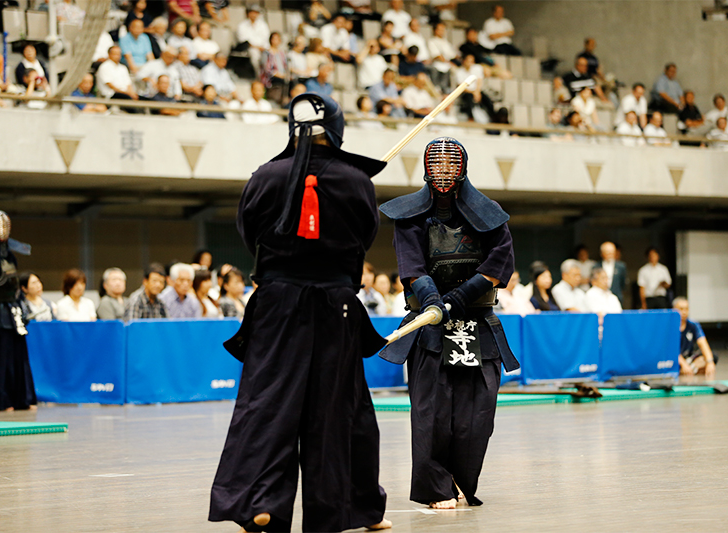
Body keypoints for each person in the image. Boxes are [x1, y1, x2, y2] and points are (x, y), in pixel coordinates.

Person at [210, 92, 391, 532]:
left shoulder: (264, 176)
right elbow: (365, 236)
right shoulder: (357, 180)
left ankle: (260, 503)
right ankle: (346, 509)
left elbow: (249, 232)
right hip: (336, 305)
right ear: (338, 127)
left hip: (276, 304)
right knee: (338, 407)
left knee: (268, 402)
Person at [378, 137, 519, 510]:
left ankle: (459, 479)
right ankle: (435, 487)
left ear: (462, 169)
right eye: (435, 166)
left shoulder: (489, 213)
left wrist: (459, 298)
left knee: (477, 415)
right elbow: (411, 267)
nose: (442, 174)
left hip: (477, 320)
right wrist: (432, 300)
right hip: (429, 324)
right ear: (426, 169)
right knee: (432, 413)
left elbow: (498, 263)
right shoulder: (410, 216)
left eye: (448, 166)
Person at [0, 211, 36, 411]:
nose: (2, 230)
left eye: (5, 225)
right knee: (0, 359)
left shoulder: (11, 254)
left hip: (12, 311)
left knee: (17, 357)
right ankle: (0, 400)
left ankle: (20, 398)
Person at [673, 297, 716, 379]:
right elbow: (671, 349)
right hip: (675, 358)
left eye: (686, 309)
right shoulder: (669, 327)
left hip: (688, 358)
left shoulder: (693, 325)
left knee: (712, 357)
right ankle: (685, 370)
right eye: (681, 309)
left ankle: (688, 370)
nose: (684, 312)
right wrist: (683, 364)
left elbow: (702, 342)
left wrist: (710, 362)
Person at [236, 4, 269, 78]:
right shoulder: (242, 25)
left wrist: (263, 47)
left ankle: (268, 76)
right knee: (255, 55)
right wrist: (257, 47)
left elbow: (266, 38)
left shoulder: (263, 25)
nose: (254, 15)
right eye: (252, 12)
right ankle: (258, 76)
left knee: (269, 54)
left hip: (262, 47)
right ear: (248, 13)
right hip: (249, 48)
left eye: (256, 13)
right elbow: (243, 41)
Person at [427, 22, 457, 93]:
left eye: (443, 30)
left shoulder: (445, 41)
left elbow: (452, 54)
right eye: (440, 29)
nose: (442, 32)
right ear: (435, 30)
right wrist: (449, 62)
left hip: (447, 64)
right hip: (437, 64)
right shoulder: (432, 41)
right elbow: (437, 55)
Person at [596, 241, 626, 306]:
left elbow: (623, 283)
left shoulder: (621, 266)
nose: (610, 255)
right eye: (607, 253)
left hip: (617, 297)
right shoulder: (596, 266)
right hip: (600, 298)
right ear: (602, 253)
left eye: (611, 253)